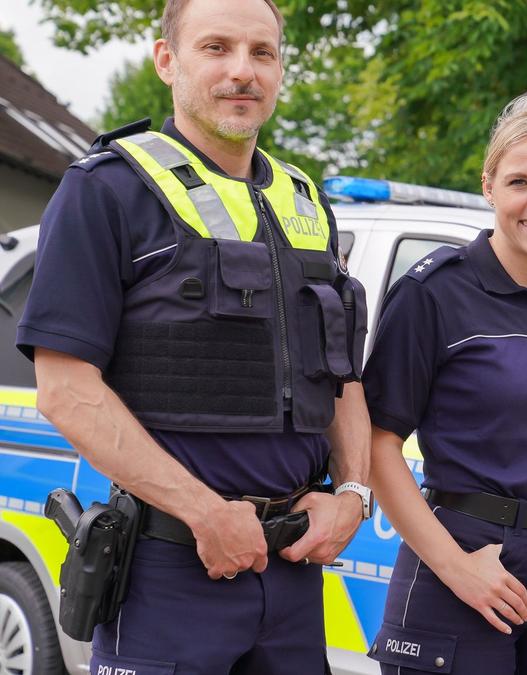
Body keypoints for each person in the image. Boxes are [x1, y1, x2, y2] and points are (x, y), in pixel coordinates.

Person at [17, 0, 373, 672]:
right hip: (168, 571)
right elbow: (65, 391)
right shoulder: (106, 191)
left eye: (261, 53)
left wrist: (353, 494)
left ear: (280, 70)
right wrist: (207, 514)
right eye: (216, 48)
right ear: (166, 61)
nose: (242, 71)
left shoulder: (306, 204)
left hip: (292, 574)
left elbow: (342, 376)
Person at [362, 90, 527, 674]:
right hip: (463, 557)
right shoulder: (432, 293)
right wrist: (457, 569)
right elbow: (377, 447)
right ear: (489, 186)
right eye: (519, 183)